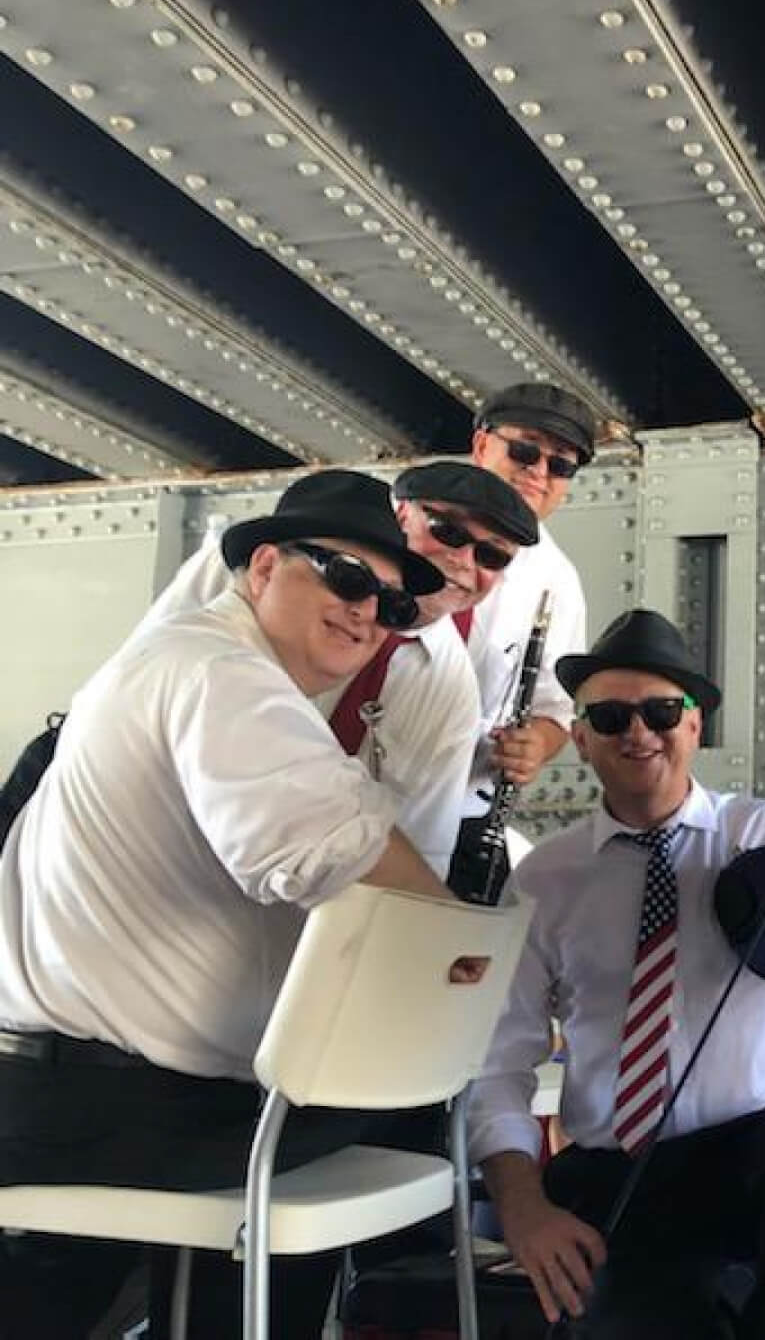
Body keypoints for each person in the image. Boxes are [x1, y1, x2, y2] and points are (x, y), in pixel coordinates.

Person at [0, 471, 462, 1338]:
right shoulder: (220, 670)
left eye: (394, 608)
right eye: (345, 576)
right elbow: (350, 858)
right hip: (112, 1105)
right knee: (375, 1128)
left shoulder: (201, 665)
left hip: (92, 1093)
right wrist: (467, 956)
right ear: (261, 569)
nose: (368, 612)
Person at [469, 609, 765, 1339]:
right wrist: (524, 1210)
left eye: (662, 711)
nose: (639, 732)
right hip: (620, 1174)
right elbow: (497, 1062)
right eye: (612, 715)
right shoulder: (543, 880)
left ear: (694, 726)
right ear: (583, 736)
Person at [137, 461, 539, 878]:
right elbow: (151, 673)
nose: (463, 560)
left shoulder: (452, 690)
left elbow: (421, 849)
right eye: (449, 531)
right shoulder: (223, 587)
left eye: (491, 555)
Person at [463, 383, 596, 810]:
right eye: (525, 451)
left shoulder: (558, 582)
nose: (540, 472)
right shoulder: (403, 521)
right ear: (483, 446)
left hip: (462, 803)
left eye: (561, 465)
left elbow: (555, 707)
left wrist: (534, 744)